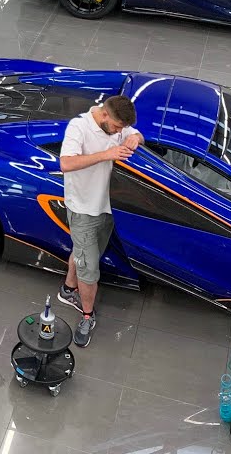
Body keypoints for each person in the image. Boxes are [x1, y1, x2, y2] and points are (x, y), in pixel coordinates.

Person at [56, 95, 144, 347]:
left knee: (83, 252)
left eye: (122, 128)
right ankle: (87, 315)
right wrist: (107, 154)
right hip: (84, 209)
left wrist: (135, 138)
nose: (118, 131)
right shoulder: (79, 127)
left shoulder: (119, 123)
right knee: (89, 269)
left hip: (107, 207)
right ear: (104, 114)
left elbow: (138, 135)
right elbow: (66, 163)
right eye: (116, 127)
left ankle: (68, 289)